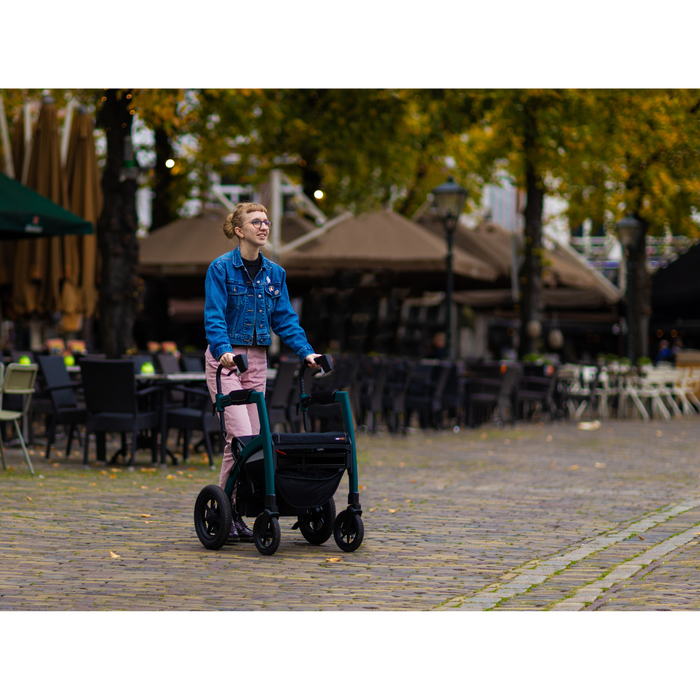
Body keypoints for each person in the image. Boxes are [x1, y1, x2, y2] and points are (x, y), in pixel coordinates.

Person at [204, 202, 321, 541]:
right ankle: (227, 511)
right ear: (240, 230)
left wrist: (306, 351)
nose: (264, 226)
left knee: (256, 443)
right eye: (256, 222)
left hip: (256, 360)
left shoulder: (275, 274)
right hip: (226, 361)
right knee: (239, 438)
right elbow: (214, 315)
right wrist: (224, 350)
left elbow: (285, 319)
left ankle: (238, 508)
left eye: (266, 221)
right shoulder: (221, 269)